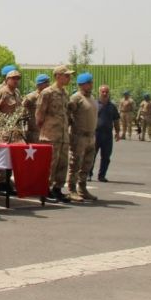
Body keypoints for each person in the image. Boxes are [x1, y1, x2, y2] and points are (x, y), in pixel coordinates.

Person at [36, 65, 74, 203]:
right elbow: (39, 115)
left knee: (62, 164)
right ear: (57, 76)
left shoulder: (65, 93)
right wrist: (45, 130)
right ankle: (45, 190)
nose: (69, 78)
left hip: (63, 135)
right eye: (66, 75)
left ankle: (57, 189)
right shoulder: (47, 93)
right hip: (50, 135)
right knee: (50, 165)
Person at [66, 73, 99, 202]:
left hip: (91, 136)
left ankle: (82, 188)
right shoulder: (76, 98)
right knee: (75, 163)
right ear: (82, 84)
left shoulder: (92, 98)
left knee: (87, 163)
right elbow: (68, 114)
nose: (91, 84)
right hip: (79, 136)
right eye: (89, 82)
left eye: (91, 82)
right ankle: (72, 189)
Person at [93, 85, 120, 183]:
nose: (105, 94)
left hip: (107, 135)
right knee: (92, 155)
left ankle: (102, 176)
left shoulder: (112, 106)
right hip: (96, 134)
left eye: (106, 92)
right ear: (99, 92)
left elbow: (116, 120)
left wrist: (117, 132)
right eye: (103, 92)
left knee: (106, 157)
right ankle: (88, 174)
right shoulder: (94, 104)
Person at [22, 74, 49, 143]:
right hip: (34, 133)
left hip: (47, 132)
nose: (48, 84)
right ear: (38, 85)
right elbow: (22, 112)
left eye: (48, 82)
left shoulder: (50, 96)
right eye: (45, 82)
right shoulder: (31, 97)